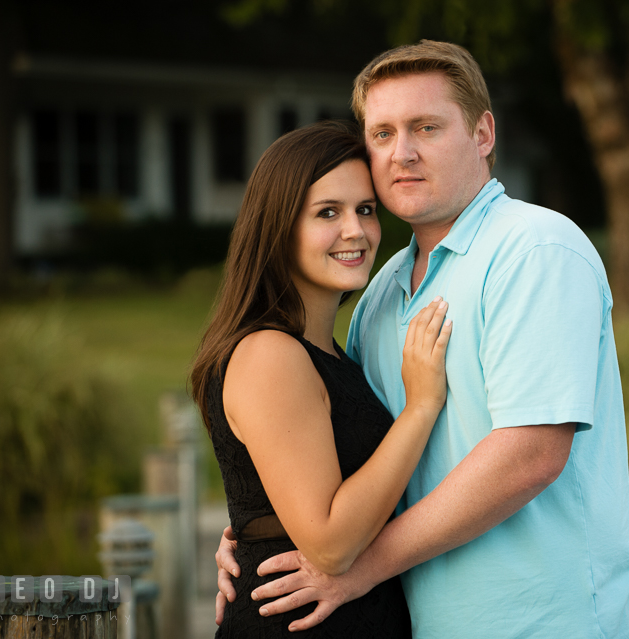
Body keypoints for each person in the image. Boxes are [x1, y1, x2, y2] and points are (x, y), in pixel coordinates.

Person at [217, 41, 629, 638]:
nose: (404, 153)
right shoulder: (379, 292)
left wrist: (356, 568)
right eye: (384, 133)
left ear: (483, 134)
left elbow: (530, 455)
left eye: (427, 127)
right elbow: (346, 455)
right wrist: (254, 533)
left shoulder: (535, 249)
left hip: (550, 624)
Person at [190, 120, 453, 637]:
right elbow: (330, 544)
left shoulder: (330, 351)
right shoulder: (270, 353)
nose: (355, 230)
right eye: (327, 213)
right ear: (279, 227)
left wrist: (250, 528)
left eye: (365, 210)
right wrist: (421, 407)